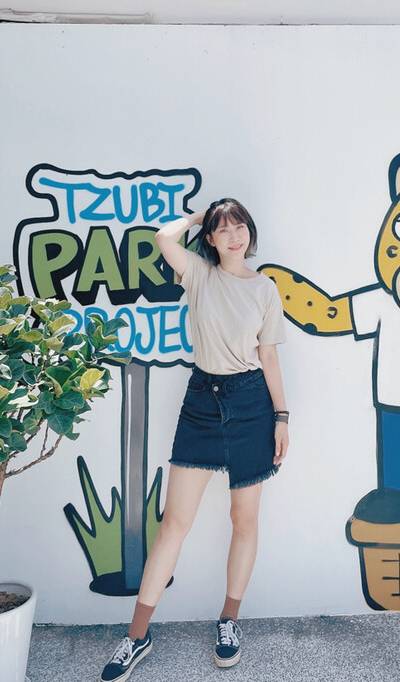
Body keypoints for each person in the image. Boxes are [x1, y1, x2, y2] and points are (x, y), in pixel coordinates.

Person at [99, 198, 289, 682]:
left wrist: (282, 417)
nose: (234, 236)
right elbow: (163, 239)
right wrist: (201, 215)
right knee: (173, 524)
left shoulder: (265, 289)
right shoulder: (199, 275)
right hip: (203, 400)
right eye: (223, 230)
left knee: (243, 519)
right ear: (210, 239)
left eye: (240, 227)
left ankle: (229, 620)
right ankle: (137, 636)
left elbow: (268, 356)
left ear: (250, 232)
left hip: (251, 404)